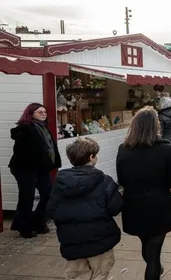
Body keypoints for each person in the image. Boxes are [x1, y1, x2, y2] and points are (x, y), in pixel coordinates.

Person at [116, 107, 171, 280]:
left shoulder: (124, 149)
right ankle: (154, 270)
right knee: (154, 254)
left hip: (133, 205)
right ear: (155, 126)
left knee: (147, 246)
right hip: (159, 205)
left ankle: (155, 268)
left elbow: (121, 179)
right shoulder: (165, 148)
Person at [47, 137, 123, 280]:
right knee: (100, 273)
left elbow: (51, 209)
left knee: (78, 275)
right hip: (100, 238)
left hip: (71, 240)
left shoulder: (60, 182)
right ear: (91, 157)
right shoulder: (105, 181)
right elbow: (115, 208)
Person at [9, 103, 61, 238]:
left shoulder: (43, 128)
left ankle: (38, 221)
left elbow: (49, 148)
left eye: (45, 112)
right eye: (40, 112)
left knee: (49, 194)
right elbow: (20, 151)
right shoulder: (26, 129)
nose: (44, 114)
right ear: (31, 114)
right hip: (24, 168)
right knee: (27, 197)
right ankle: (24, 227)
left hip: (41, 168)